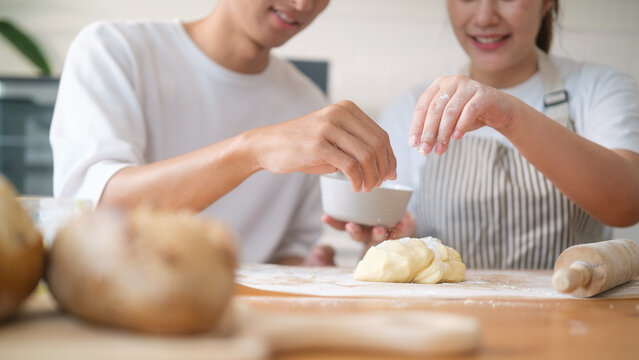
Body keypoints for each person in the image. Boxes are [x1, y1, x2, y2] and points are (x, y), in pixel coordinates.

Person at [50, 0, 397, 266]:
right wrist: (253, 150)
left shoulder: (308, 102)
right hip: (119, 314)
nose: (304, 5)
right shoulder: (114, 50)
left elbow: (289, 252)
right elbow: (92, 210)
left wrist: (308, 271)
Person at [324, 0, 639, 269]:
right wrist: (393, 237)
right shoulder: (413, 106)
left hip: (571, 323)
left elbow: (627, 205)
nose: (485, 17)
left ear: (547, 3)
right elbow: (385, 241)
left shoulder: (600, 89)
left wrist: (510, 116)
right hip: (441, 326)